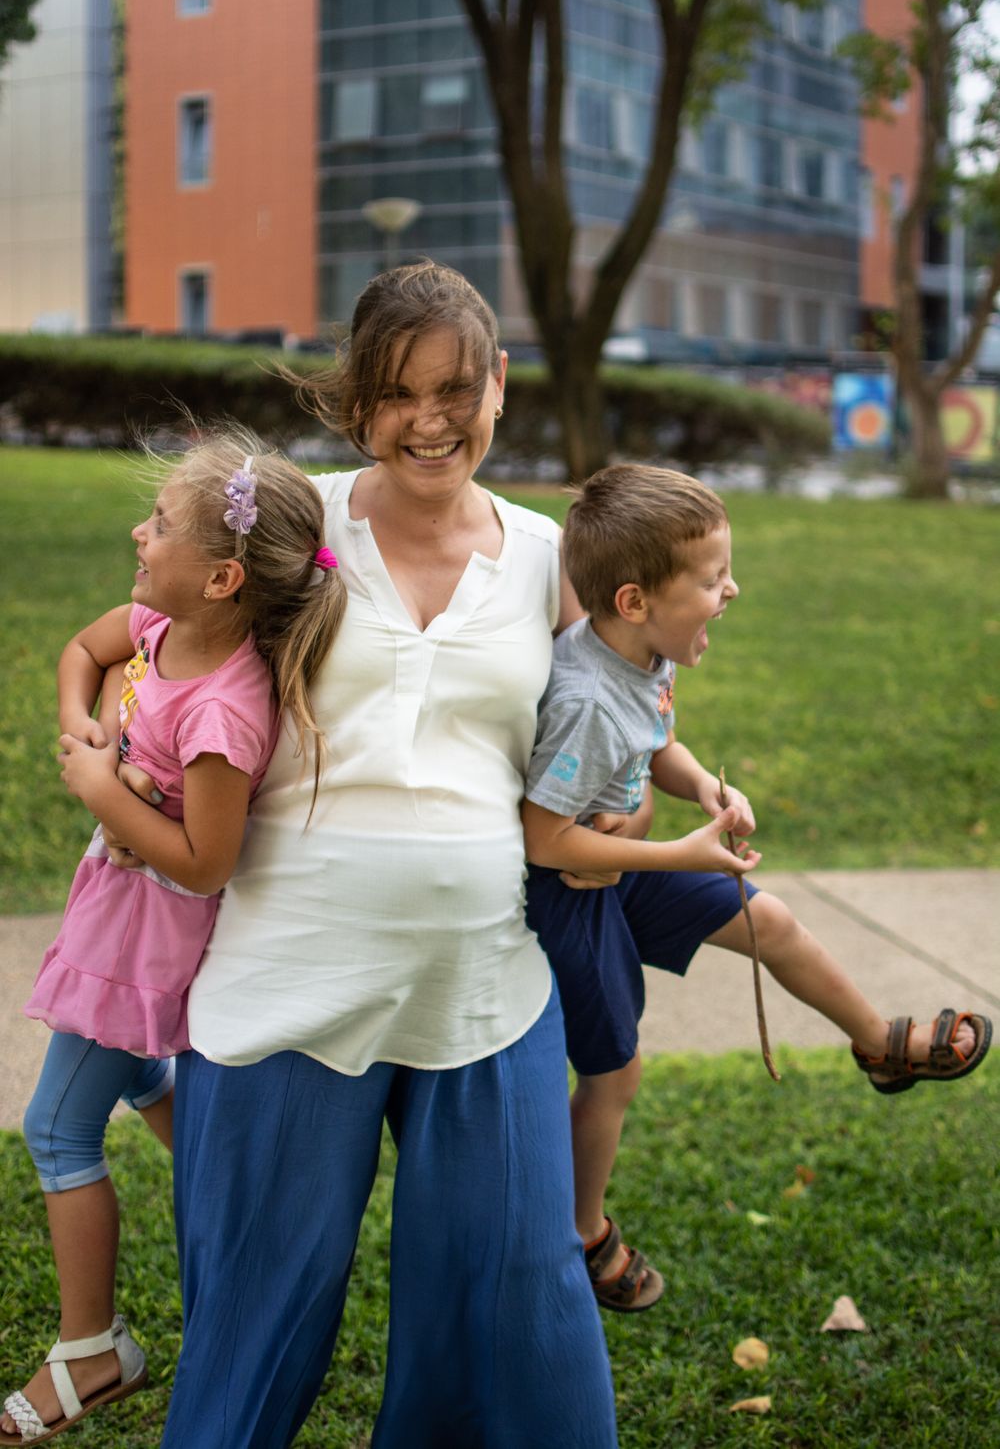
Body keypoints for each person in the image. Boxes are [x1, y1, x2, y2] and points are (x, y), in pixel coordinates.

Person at [149, 264, 620, 1448]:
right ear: (359, 402)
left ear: (499, 386)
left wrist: (632, 808)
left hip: (483, 989)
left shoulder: (544, 555)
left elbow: (598, 723)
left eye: (458, 387)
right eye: (401, 393)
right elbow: (145, 636)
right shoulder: (291, 525)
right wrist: (114, 727)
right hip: (287, 980)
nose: (432, 420)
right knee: (254, 1330)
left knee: (518, 1315)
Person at [522, 462, 993, 1314]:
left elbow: (655, 745)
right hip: (575, 891)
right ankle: (584, 1232)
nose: (731, 589)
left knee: (767, 920)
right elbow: (542, 835)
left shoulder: (642, 657)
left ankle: (878, 1046)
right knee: (615, 1075)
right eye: (710, 579)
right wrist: (680, 853)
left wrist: (700, 785)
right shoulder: (586, 697)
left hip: (628, 862)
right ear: (635, 601)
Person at [1, 432, 345, 1447]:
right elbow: (85, 651)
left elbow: (203, 861)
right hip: (112, 910)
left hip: (145, 940)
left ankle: (90, 1348)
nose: (138, 535)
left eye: (159, 529)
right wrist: (89, 731)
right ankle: (230, 1210)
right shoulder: (159, 619)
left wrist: (107, 794)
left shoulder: (226, 713)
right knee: (146, 1082)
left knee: (56, 1131)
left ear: (222, 576)